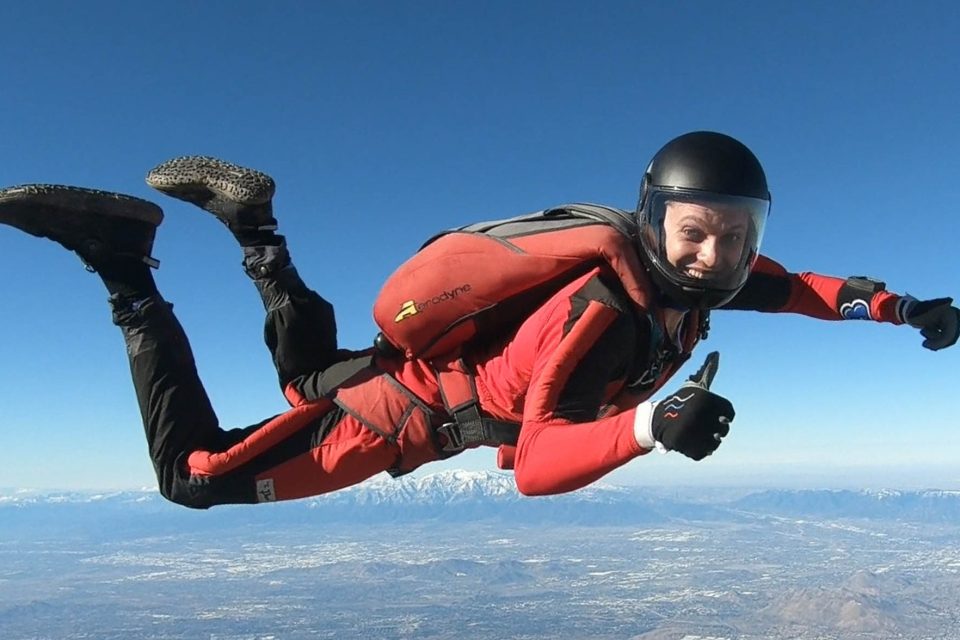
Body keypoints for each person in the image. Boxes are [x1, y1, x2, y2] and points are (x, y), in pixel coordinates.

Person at [0, 132, 956, 509]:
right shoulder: (606, 318)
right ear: (656, 222)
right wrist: (646, 427)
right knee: (191, 478)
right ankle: (124, 268)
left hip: (409, 378)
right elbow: (538, 464)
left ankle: (255, 230)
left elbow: (808, 289)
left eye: (741, 239)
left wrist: (904, 308)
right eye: (700, 234)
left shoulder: (698, 280)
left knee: (301, 381)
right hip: (405, 417)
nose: (721, 257)